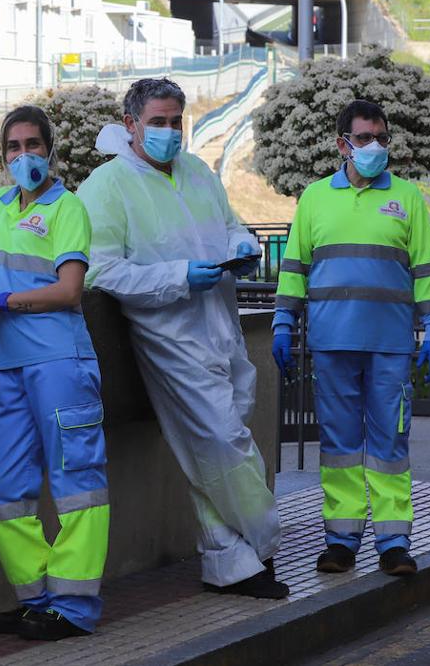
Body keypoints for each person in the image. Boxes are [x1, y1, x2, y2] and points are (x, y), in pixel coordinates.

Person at [77, 78, 285, 599]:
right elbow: (99, 273)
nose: (170, 132)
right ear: (130, 124)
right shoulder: (106, 187)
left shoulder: (196, 172)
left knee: (215, 448)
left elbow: (231, 224)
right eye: (159, 122)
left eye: (177, 122)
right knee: (224, 444)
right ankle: (266, 539)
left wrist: (242, 245)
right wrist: (176, 276)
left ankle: (232, 564)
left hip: (223, 326)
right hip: (170, 338)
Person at [0, 106, 108, 641]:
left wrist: (3, 299)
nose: (24, 156)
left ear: (50, 151)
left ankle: (74, 607)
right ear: (2, 155)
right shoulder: (3, 207)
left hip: (60, 362)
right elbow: (17, 267)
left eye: (34, 145)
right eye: (14, 147)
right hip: (7, 365)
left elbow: (69, 290)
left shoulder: (68, 207)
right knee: (3, 490)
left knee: (77, 486)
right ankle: (36, 598)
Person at [273, 99, 430, 578]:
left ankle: (394, 543)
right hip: (331, 344)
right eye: (365, 138)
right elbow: (293, 267)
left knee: (390, 445)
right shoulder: (314, 198)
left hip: (390, 345)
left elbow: (427, 271)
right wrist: (282, 323)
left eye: (381, 138)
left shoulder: (407, 197)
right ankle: (341, 541)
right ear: (342, 143)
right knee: (340, 446)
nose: (375, 147)